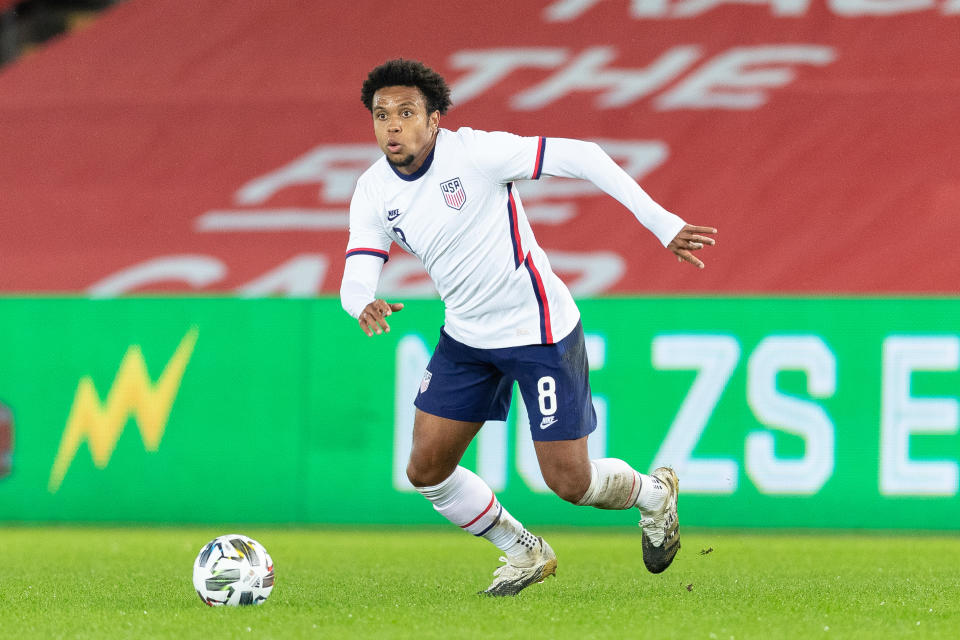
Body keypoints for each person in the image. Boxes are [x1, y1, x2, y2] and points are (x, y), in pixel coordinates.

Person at [340, 58, 717, 596]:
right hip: (467, 339)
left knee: (569, 481)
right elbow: (357, 271)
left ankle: (655, 495)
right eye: (381, 115)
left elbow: (584, 155)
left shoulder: (476, 153)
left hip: (540, 330)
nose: (392, 126)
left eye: (406, 113)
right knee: (426, 471)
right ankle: (524, 552)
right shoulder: (374, 190)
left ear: (436, 119)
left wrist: (664, 224)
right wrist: (360, 302)